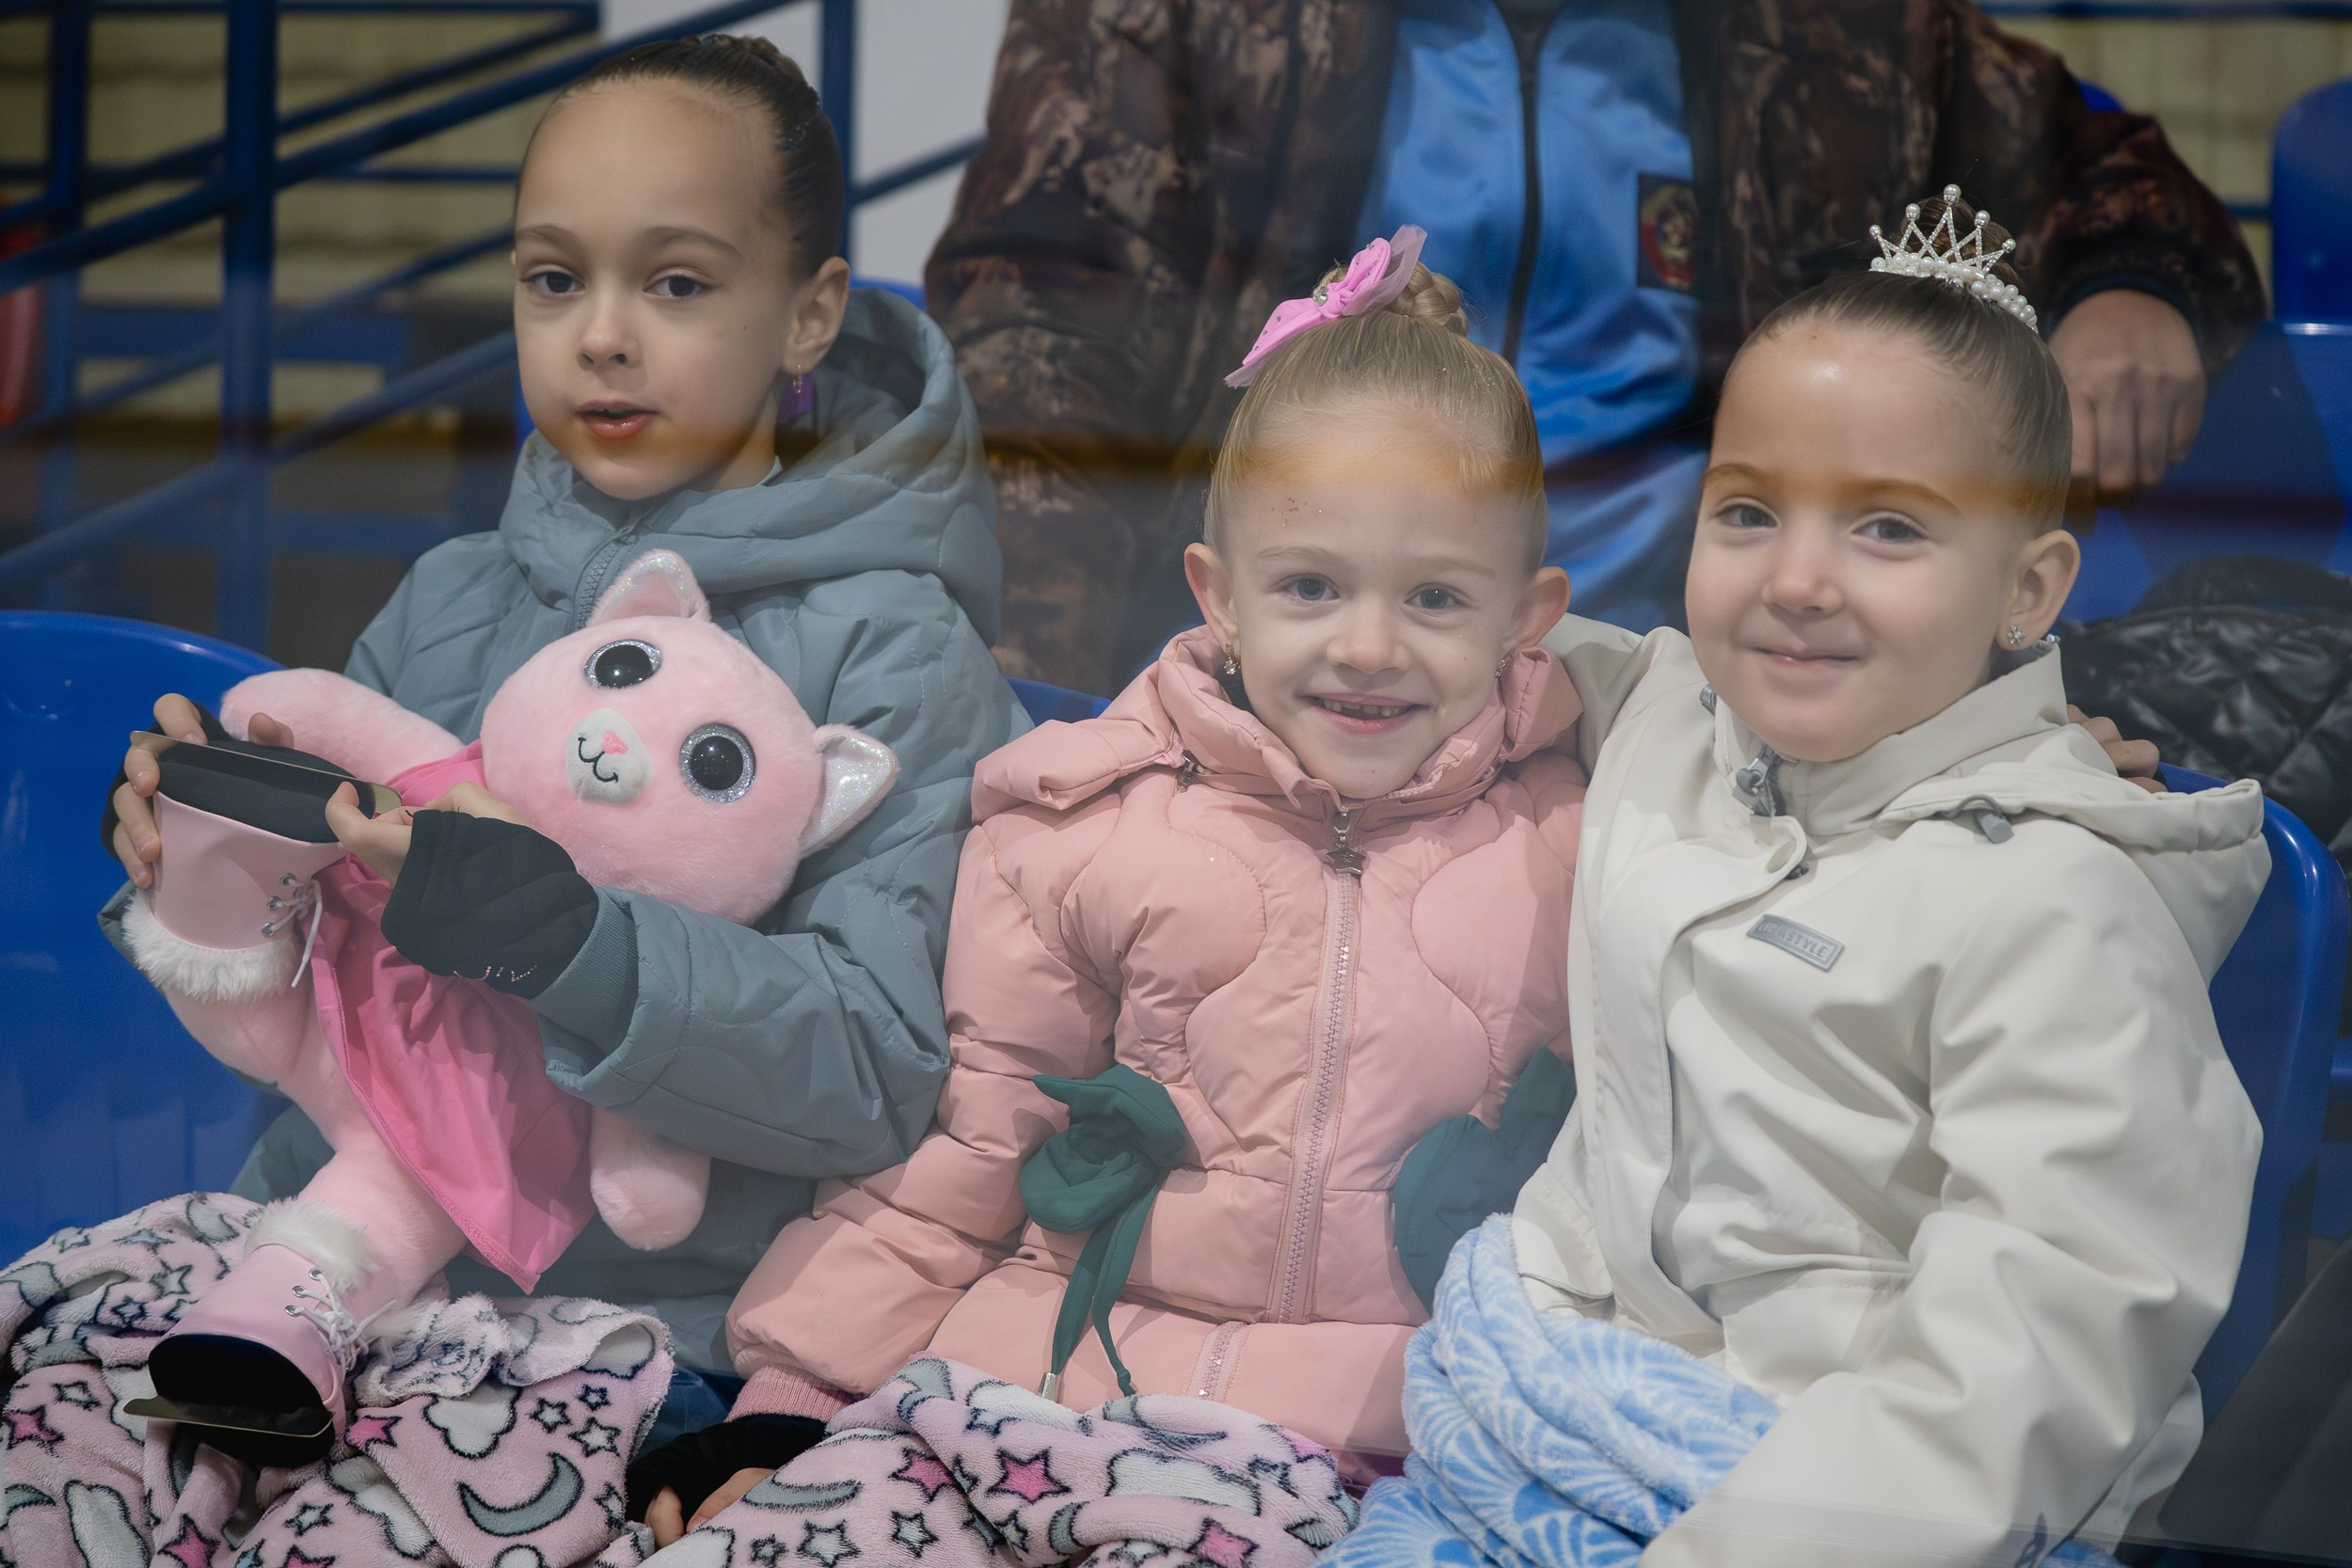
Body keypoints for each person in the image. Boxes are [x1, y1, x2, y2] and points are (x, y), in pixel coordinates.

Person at [1332, 190, 2269, 1568]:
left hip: (1838, 1498)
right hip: (1543, 1412)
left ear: (2029, 588)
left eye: (1890, 528)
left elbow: (2039, 1341)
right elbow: (1432, 633)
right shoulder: (1661, 717)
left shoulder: (2065, 906)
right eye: (1751, 510)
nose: (1801, 580)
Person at [97, 33, 1022, 1420]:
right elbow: (334, 1012)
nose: (601, 332)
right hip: (348, 1287)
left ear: (811, 313)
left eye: (677, 281)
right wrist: (216, 868)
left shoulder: (896, 645)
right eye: (553, 277)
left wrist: (571, 945)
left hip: (692, 1346)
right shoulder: (450, 598)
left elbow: (878, 1067)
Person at [629, 231, 1589, 1544]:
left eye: (1435, 595)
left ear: (1529, 615)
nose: (1367, 645)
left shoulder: (1588, 851)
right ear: (1221, 595)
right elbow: (966, 1150)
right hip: (1048, 1397)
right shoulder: (1084, 828)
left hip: (1376, 1445)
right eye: (1309, 586)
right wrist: (797, 1396)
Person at [930, 0, 2266, 693]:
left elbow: (2101, 166)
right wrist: (1037, 682)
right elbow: (1037, 322)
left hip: (1682, 698)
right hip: (1289, 664)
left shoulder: (1832, 30)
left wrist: (2134, 288)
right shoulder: (1180, 20)